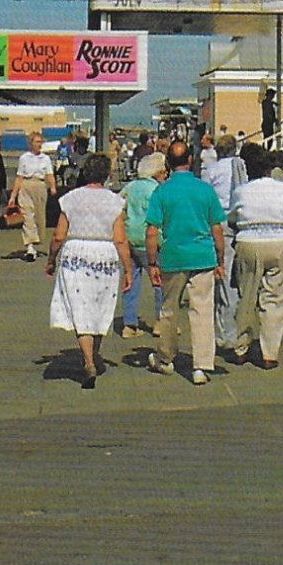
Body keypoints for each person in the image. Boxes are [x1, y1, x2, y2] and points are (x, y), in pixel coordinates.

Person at [144, 139, 226, 386]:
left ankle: (166, 358)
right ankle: (201, 365)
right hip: (202, 256)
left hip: (173, 256)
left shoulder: (162, 191)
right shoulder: (204, 190)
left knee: (169, 309)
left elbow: (151, 231)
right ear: (191, 160)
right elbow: (217, 229)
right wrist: (220, 260)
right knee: (202, 310)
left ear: (168, 162)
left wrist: (151, 263)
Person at [46, 153, 131, 390]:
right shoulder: (115, 201)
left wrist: (51, 259)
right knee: (100, 306)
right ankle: (94, 354)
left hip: (75, 253)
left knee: (80, 307)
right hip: (105, 255)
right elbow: (121, 240)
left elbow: (58, 235)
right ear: (106, 174)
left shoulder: (70, 199)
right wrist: (128, 269)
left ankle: (88, 360)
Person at [227, 144, 283, 369]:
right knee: (275, 298)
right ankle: (269, 353)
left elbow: (232, 218)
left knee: (246, 296)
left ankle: (241, 347)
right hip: (278, 241)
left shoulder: (241, 191)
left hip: (248, 242)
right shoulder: (282, 189)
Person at [203, 132, 248, 351]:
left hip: (217, 221)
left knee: (220, 276)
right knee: (233, 280)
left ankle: (222, 332)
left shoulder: (212, 170)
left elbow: (205, 196)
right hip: (238, 220)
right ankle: (232, 330)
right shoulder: (242, 167)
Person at [119, 152, 168, 338]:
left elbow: (119, 205)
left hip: (130, 238)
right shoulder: (157, 190)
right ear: (157, 173)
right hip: (151, 241)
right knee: (159, 283)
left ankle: (129, 324)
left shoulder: (130, 187)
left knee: (130, 280)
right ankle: (160, 322)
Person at [9, 130, 58, 262]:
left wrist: (52, 186)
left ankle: (36, 241)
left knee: (39, 217)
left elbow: (49, 174)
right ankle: (30, 247)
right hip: (26, 186)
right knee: (27, 216)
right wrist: (13, 196)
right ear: (30, 143)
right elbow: (19, 177)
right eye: (37, 142)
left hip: (40, 186)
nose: (39, 144)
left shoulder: (45, 159)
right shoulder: (24, 158)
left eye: (40, 142)